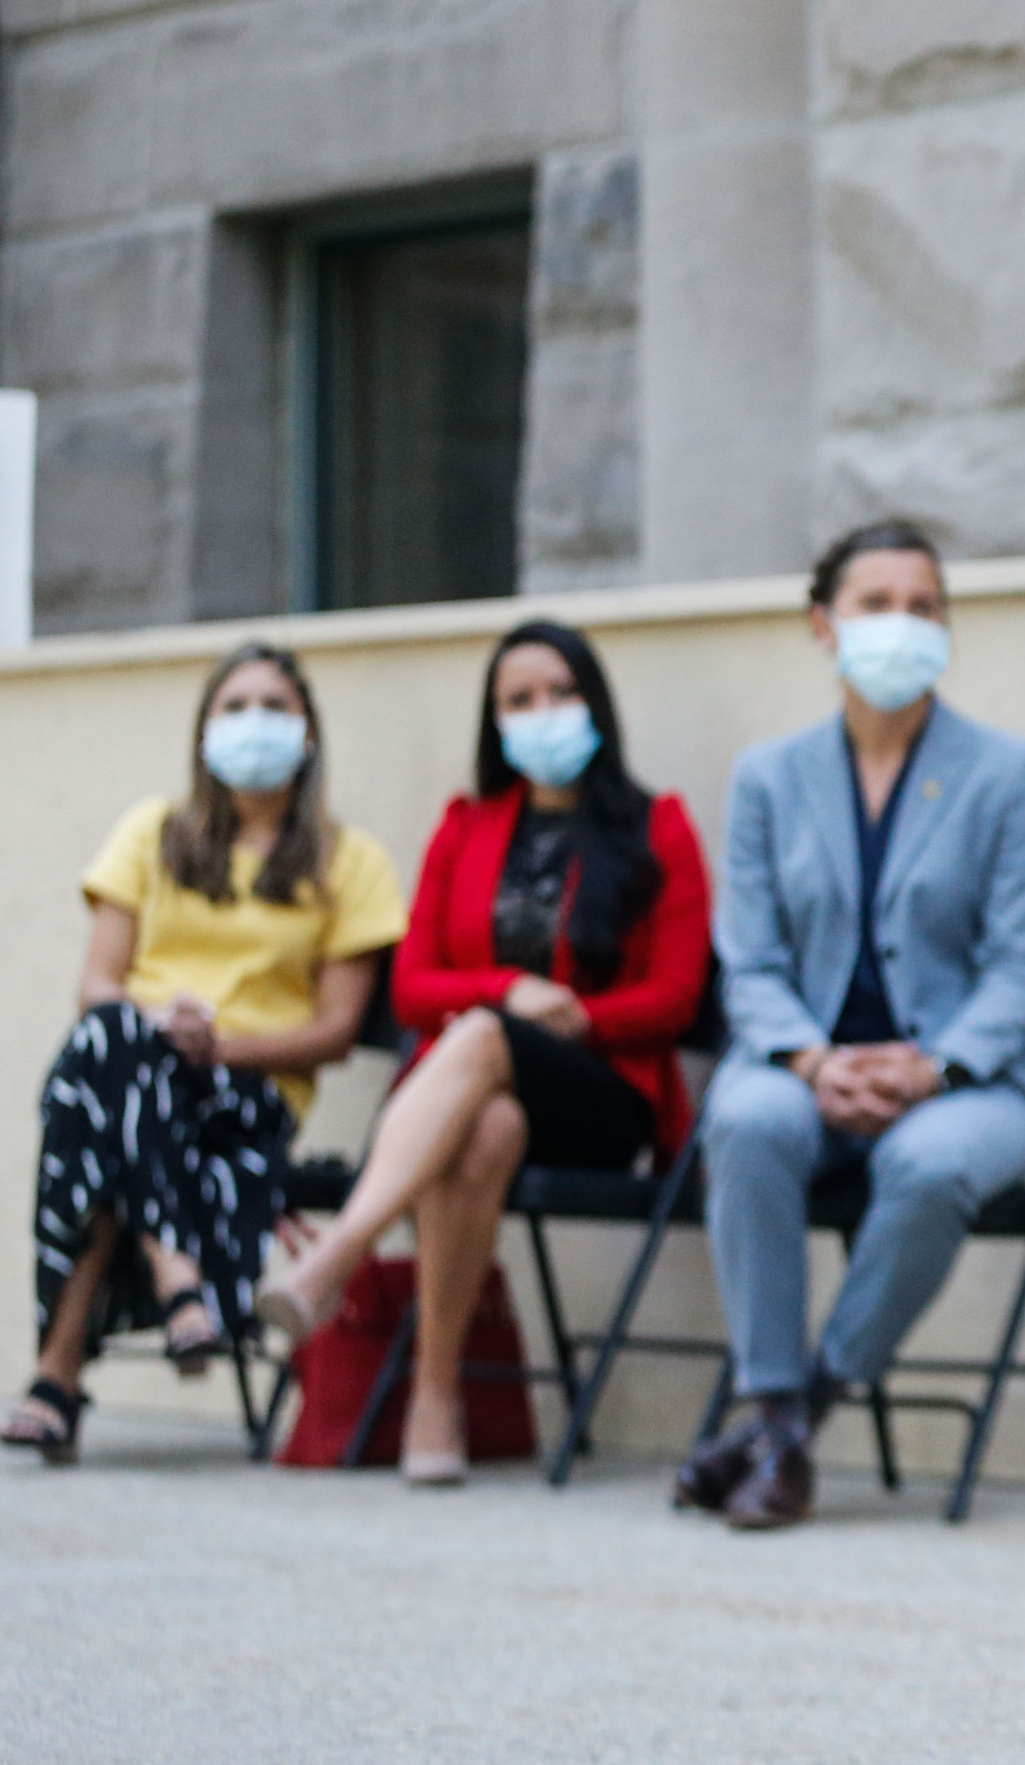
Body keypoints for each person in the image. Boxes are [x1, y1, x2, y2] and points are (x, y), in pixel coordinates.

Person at [254, 621, 710, 1485]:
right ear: (494, 721)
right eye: (519, 700)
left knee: (482, 1036)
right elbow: (413, 985)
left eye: (561, 694)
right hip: (478, 1096)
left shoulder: (659, 827)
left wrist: (566, 1016)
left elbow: (677, 998)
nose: (543, 713)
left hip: (604, 1099)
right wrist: (507, 990)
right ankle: (435, 1399)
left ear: (597, 706)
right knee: (487, 1121)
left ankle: (339, 1254)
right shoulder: (466, 827)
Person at [673, 518, 1025, 1531]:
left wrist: (934, 1068)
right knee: (744, 1120)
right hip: (800, 1065)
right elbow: (746, 960)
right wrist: (810, 1058)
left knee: (929, 1166)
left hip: (968, 1082)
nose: (902, 624)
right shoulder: (768, 775)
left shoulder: (1005, 771)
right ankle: (772, 1406)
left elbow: (1022, 967)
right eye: (875, 604)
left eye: (923, 606)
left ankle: (792, 1423)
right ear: (822, 624)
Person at [0, 644, 405, 1463]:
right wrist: (162, 1029)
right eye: (235, 707)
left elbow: (334, 1030)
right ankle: (174, 1266)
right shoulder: (152, 833)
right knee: (114, 1049)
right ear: (202, 732)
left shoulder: (348, 860)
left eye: (275, 707)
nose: (254, 724)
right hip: (134, 1059)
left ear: (310, 733)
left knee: (94, 1110)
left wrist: (219, 1048)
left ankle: (57, 1372)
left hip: (250, 1092)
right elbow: (99, 984)